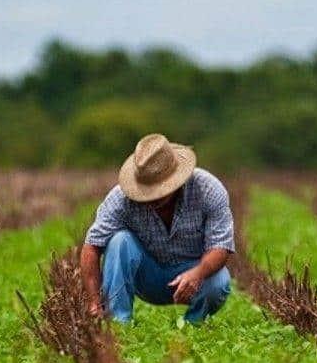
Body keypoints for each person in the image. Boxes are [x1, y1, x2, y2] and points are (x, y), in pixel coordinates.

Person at [80, 133, 234, 324]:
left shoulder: (208, 189)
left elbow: (221, 247)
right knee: (120, 241)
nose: (151, 198)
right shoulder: (121, 198)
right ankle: (118, 325)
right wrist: (94, 301)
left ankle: (192, 326)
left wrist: (197, 274)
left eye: (157, 191)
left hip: (193, 271)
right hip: (147, 275)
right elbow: (91, 247)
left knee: (219, 281)